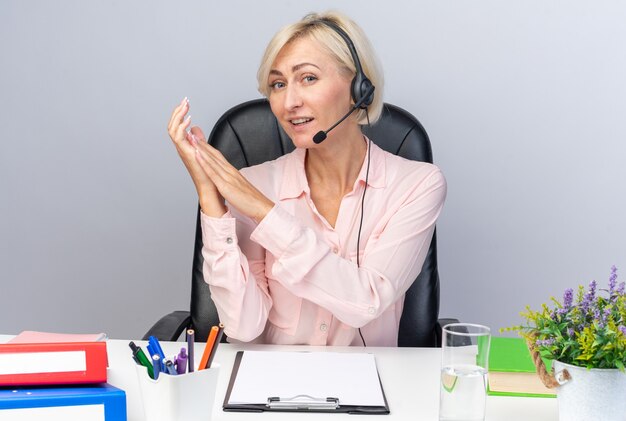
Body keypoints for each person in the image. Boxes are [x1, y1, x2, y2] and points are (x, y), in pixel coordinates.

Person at [166, 11, 446, 347]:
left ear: (360, 88)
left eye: (308, 78)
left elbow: (365, 301)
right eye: (278, 85)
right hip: (266, 388)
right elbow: (243, 326)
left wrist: (264, 212)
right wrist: (210, 198)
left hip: (366, 389)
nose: (289, 103)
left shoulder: (416, 185)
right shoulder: (250, 184)